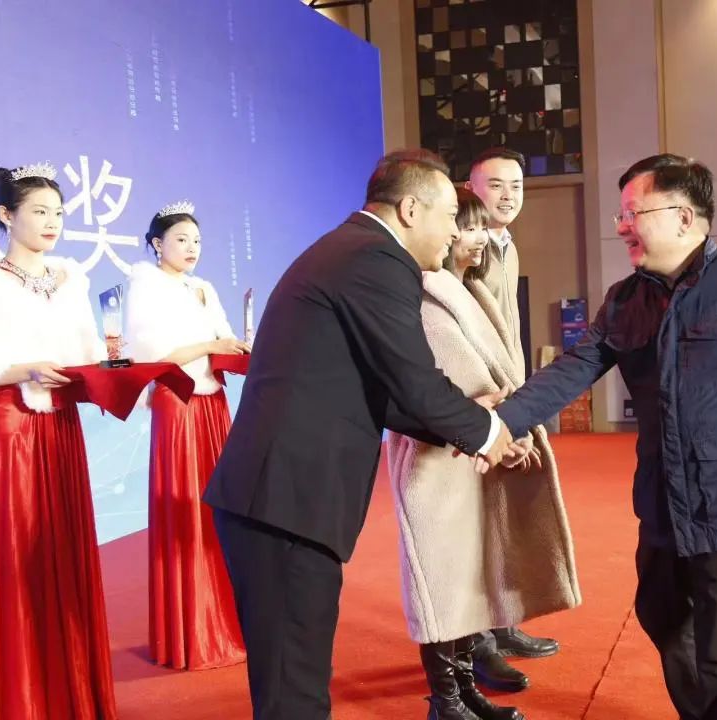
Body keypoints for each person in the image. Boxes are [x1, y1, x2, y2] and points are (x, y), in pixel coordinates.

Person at [492, 153, 717, 720]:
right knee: (661, 614)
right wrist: (501, 423)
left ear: (683, 216)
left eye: (634, 212)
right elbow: (572, 370)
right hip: (662, 498)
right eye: (621, 214)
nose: (622, 226)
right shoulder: (626, 300)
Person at [203, 149, 515, 720]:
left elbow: (379, 387)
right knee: (294, 689)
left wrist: (468, 419)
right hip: (284, 503)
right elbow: (413, 380)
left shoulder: (353, 250)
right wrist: (486, 431)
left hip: (283, 499)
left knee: (294, 679)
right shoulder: (376, 259)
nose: (455, 231)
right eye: (450, 216)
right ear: (411, 210)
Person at [388, 188, 580, 720]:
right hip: (439, 454)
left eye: (473, 225)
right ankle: (446, 700)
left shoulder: (467, 288)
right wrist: (501, 430)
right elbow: (446, 381)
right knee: (441, 580)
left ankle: (466, 687)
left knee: (469, 573)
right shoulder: (420, 292)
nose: (471, 235)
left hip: (474, 447)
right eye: (462, 223)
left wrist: (505, 427)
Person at [0, 164, 116, 718]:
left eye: (58, 212)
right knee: (15, 557)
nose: (52, 222)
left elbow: (86, 351)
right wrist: (24, 368)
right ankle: (14, 697)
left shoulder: (71, 279)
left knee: (64, 550)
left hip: (61, 426)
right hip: (11, 427)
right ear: (6, 215)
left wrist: (107, 366)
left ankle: (69, 691)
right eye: (39, 212)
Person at [126, 201, 251, 670]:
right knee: (186, 508)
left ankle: (228, 618)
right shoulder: (145, 285)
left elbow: (222, 340)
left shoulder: (204, 287)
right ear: (157, 244)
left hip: (213, 401)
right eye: (181, 239)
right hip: (177, 401)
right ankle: (192, 631)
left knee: (221, 509)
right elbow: (152, 355)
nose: (191, 248)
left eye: (196, 240)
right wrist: (210, 346)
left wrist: (237, 350)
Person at [465, 147, 559, 689]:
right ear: (471, 189)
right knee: (473, 529)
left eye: (516, 186)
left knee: (502, 519)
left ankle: (501, 625)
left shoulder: (505, 243)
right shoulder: (468, 247)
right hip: (480, 400)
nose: (507, 196)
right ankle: (477, 643)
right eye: (495, 185)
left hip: (510, 392)